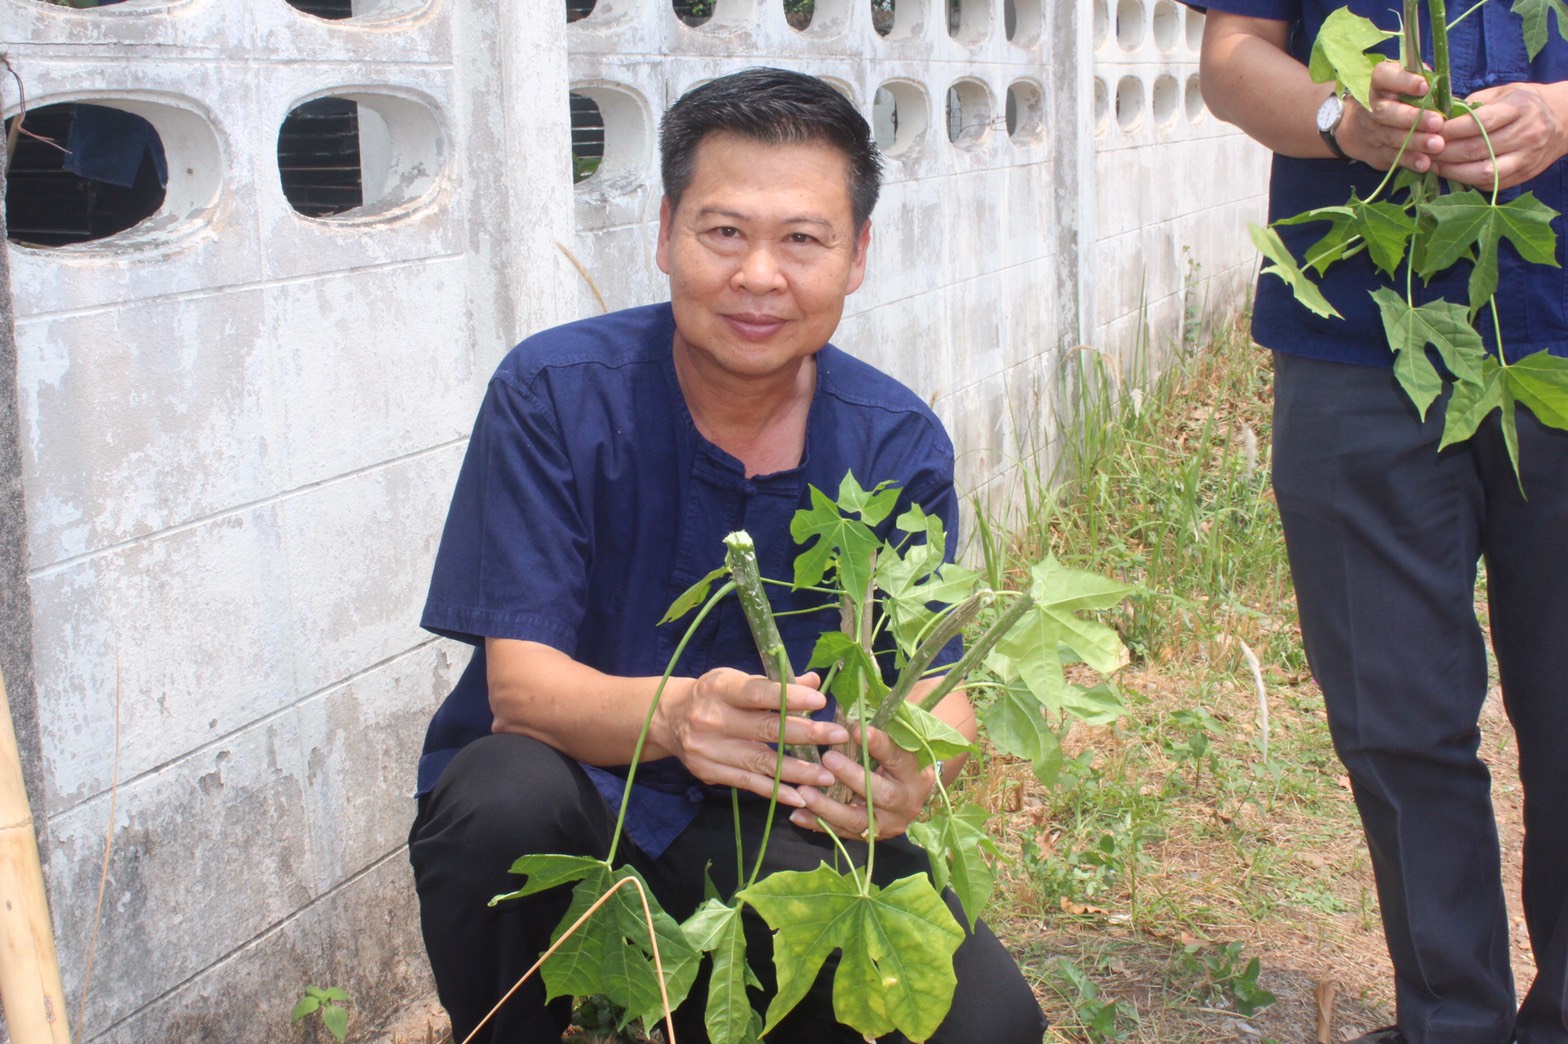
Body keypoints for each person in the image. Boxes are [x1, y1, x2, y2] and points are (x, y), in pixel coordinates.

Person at [406, 67, 1047, 1044]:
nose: (758, 275)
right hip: (577, 801)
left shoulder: (894, 442)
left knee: (986, 1028)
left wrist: (915, 767)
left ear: (858, 254)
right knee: (499, 798)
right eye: (723, 232)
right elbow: (521, 693)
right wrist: (679, 714)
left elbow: (933, 673)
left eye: (802, 240)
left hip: (779, 822)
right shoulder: (553, 394)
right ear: (665, 232)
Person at [1185, 3, 1568, 1042]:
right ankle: (1451, 1020)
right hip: (1361, 335)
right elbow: (1232, 57)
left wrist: (1560, 111)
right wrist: (1337, 118)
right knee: (1396, 717)